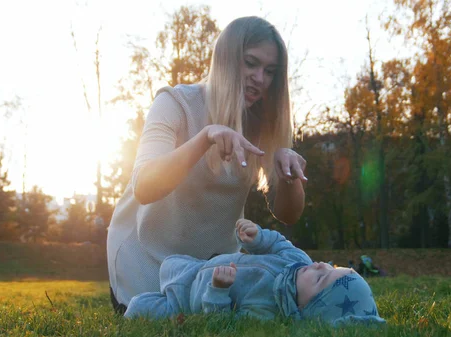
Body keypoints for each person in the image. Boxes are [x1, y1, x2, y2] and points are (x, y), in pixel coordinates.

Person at [107, 16, 308, 313]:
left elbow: (287, 215)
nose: (260, 78)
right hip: (144, 261)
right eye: (250, 63)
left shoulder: (264, 123)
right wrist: (205, 138)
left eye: (270, 71)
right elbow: (144, 186)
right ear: (225, 59)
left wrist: (289, 177)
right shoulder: (175, 103)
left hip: (211, 270)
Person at [124, 219, 385, 325]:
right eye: (330, 267)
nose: (319, 266)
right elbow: (278, 243)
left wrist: (218, 290)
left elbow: (222, 323)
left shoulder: (267, 311)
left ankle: (141, 304)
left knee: (138, 307)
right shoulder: (297, 260)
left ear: (305, 307)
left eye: (320, 278)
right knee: (170, 261)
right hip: (196, 268)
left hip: (186, 301)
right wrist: (258, 237)